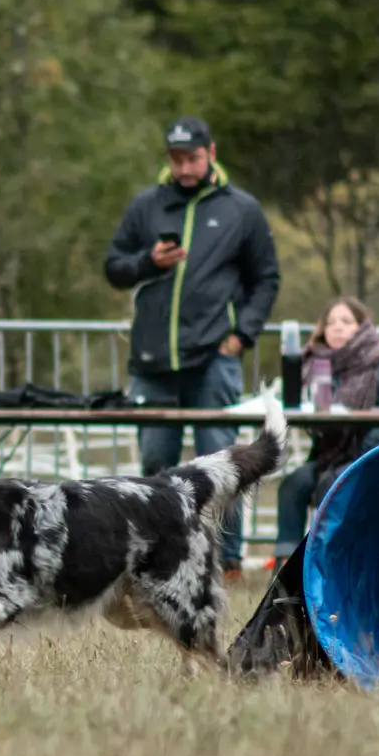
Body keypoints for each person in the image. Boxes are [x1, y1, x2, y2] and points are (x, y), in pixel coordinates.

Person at [103, 116, 281, 578]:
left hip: (212, 360)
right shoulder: (146, 206)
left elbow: (266, 278)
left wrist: (241, 334)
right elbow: (114, 267)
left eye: (193, 158)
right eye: (176, 159)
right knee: (156, 464)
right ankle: (156, 557)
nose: (184, 168)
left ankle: (228, 562)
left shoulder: (242, 209)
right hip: (152, 360)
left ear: (211, 154)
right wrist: (148, 261)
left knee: (225, 463)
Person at [272, 297, 379, 559]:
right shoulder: (313, 364)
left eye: (346, 321)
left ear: (362, 327)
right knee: (293, 485)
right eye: (330, 322)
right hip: (326, 457)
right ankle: (284, 568)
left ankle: (329, 562)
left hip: (370, 457)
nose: (336, 327)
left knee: (331, 485)